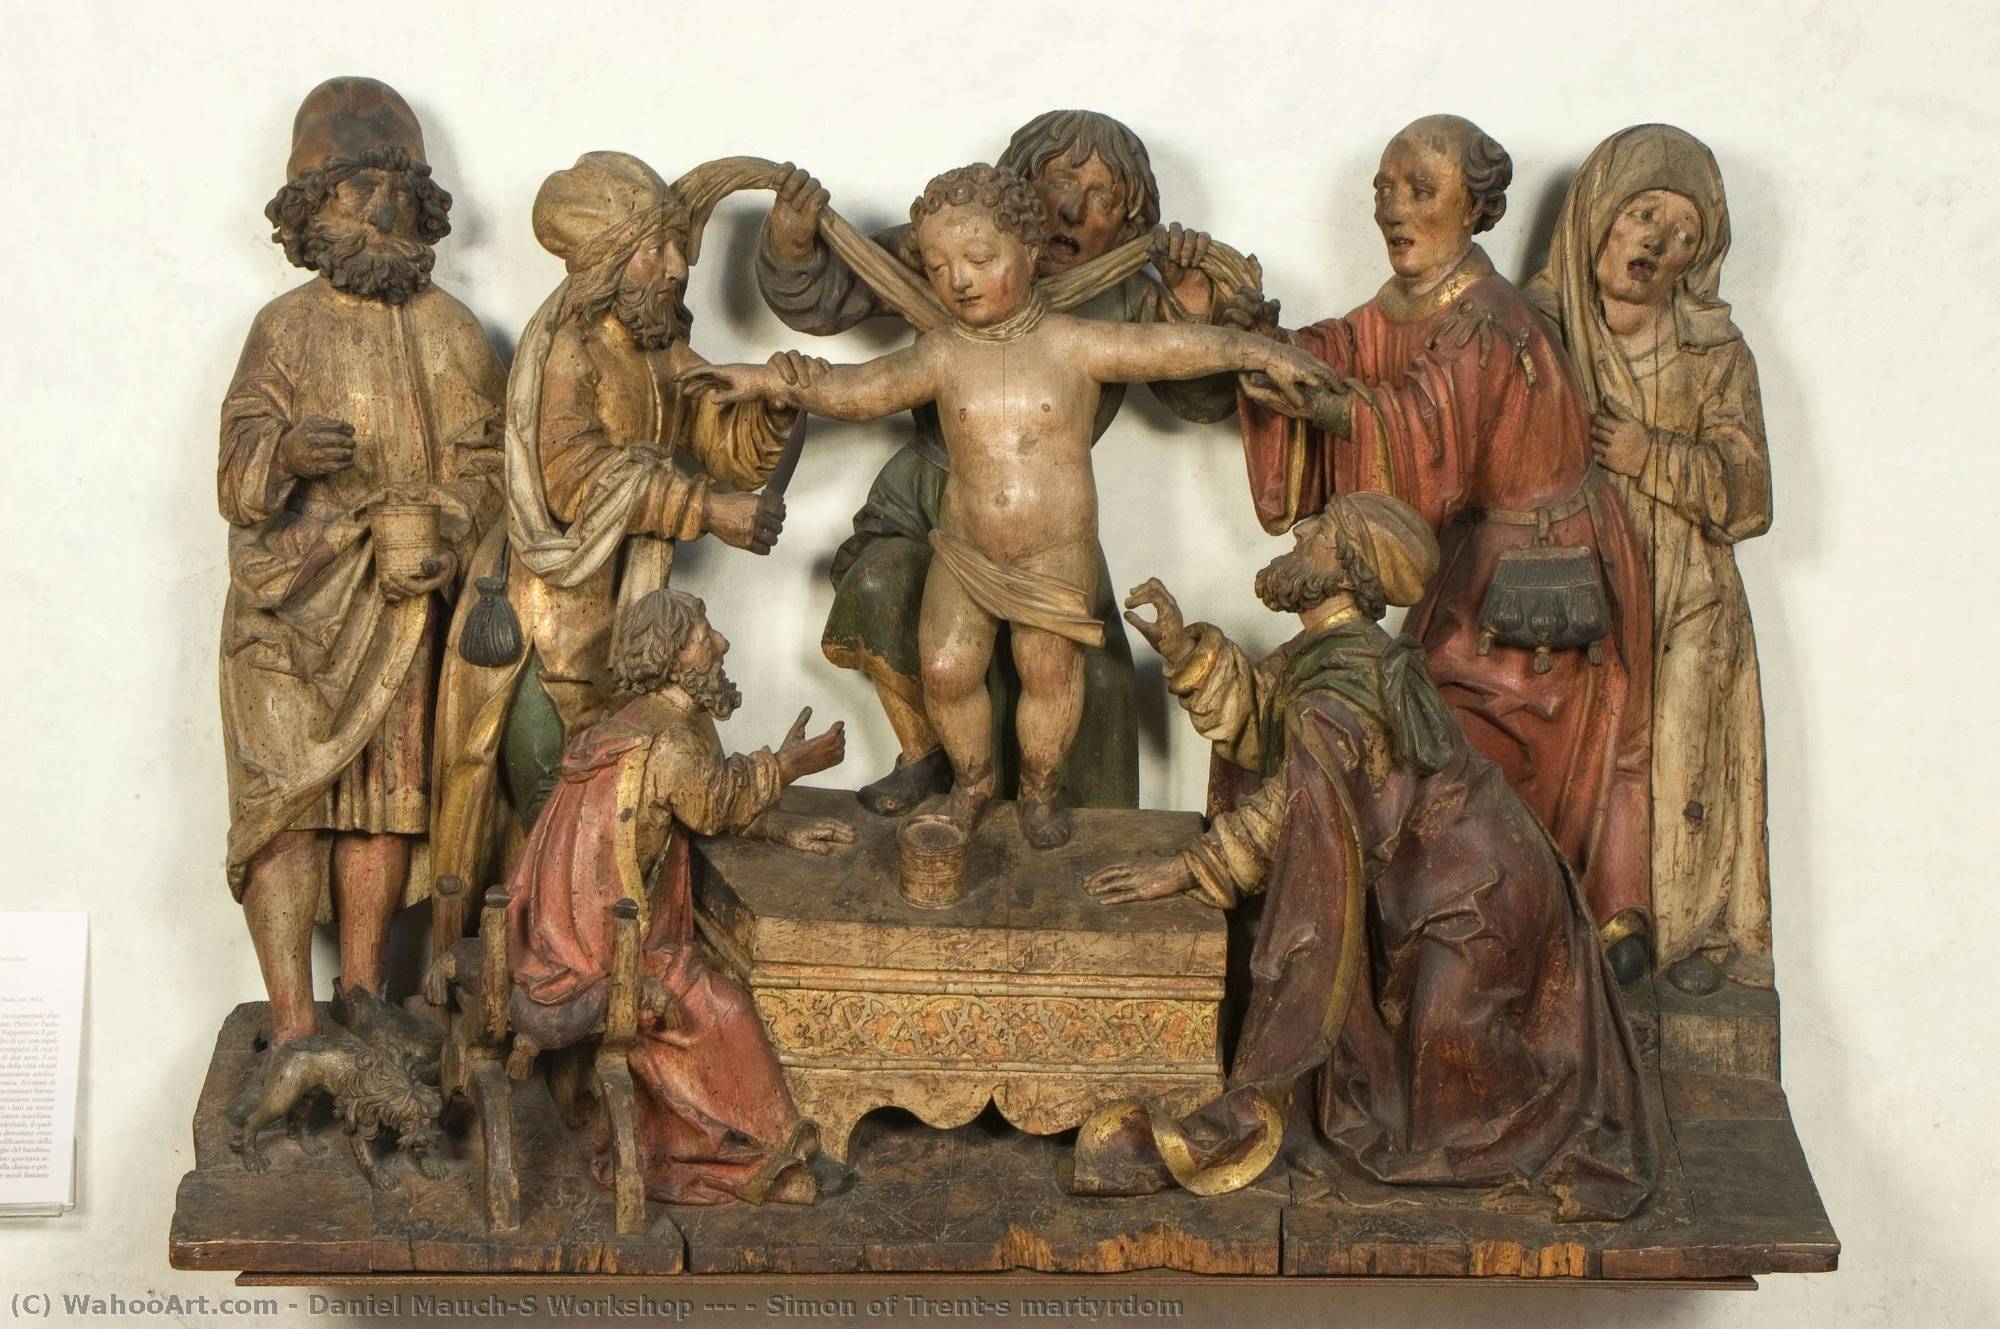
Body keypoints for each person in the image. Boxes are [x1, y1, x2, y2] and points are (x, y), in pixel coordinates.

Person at [682, 164, 1336, 848]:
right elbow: (858, 389)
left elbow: (1174, 349)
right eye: (939, 266)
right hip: (966, 549)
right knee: (945, 671)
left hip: (1054, 554)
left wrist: (1260, 351)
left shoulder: (1074, 343)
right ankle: (971, 783)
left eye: (978, 259)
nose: (958, 280)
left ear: (1029, 252)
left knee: (1048, 674)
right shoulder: (942, 353)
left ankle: (1040, 789)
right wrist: (761, 379)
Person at [1074, 494, 1657, 1221]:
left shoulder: (1346, 691)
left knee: (1444, 1075)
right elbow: (1267, 723)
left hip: (1482, 893)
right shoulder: (1330, 655)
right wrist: (1184, 650)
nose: (1300, 531)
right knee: (1412, 1060)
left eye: (1320, 531)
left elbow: (1295, 801)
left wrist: (1189, 868)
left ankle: (1541, 1111)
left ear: (1346, 573)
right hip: (1449, 885)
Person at [1230, 115, 1656, 979]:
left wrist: (1329, 405)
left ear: (1475, 207)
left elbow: (1427, 435)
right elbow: (1348, 346)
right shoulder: (1418, 300)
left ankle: (1514, 945)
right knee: (1425, 736)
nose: (1393, 207)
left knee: (1471, 757)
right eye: (1384, 188)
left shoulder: (1487, 321)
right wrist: (1263, 343)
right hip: (1475, 565)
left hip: (1541, 582)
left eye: (1420, 189)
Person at [757, 110, 1248, 815]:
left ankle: (1062, 812)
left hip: (1049, 524)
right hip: (927, 493)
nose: (1072, 209)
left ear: (1131, 223)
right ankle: (927, 758)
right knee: (888, 594)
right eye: (1060, 181)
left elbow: (1199, 395)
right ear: (1019, 186)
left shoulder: (1128, 295)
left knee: (1088, 678)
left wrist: (1192, 307)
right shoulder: (953, 247)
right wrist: (792, 242)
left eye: (1104, 198)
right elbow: (827, 297)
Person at [218, 78, 506, 1045]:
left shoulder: (452, 330)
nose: (379, 207)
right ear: (312, 207)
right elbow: (236, 470)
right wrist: (287, 453)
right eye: (354, 187)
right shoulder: (286, 327)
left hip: (396, 604)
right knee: (285, 808)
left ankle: (366, 996)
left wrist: (449, 531)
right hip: (289, 606)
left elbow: (494, 466)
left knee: (385, 803)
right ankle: (294, 1026)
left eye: (396, 187)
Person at [431, 152, 796, 898]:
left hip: (631, 613)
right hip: (553, 621)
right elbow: (572, 477)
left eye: (674, 247)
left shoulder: (662, 353)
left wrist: (772, 406)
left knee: (625, 809)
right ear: (607, 263)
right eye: (654, 249)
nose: (676, 268)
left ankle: (595, 944)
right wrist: (704, 510)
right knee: (555, 805)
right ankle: (533, 944)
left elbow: (721, 443)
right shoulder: (570, 353)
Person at [1528, 125, 1775, 994]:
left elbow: (1750, 496)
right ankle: (1569, 928)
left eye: (1682, 236)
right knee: (1574, 757)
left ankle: (1689, 935)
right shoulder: (1542, 335)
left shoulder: (1714, 354)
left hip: (1688, 592)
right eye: (1643, 215)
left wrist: (1650, 454)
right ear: (1598, 214)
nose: (1656, 244)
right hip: (1577, 586)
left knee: (1683, 757)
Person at [505, 588, 853, 1205]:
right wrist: (792, 764)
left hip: (581, 923)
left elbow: (698, 806)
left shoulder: (644, 722)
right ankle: (760, 1158)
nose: (721, 643)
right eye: (703, 636)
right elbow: (713, 801)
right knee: (722, 1008)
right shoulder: (671, 741)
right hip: (605, 946)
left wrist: (777, 826)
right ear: (670, 656)